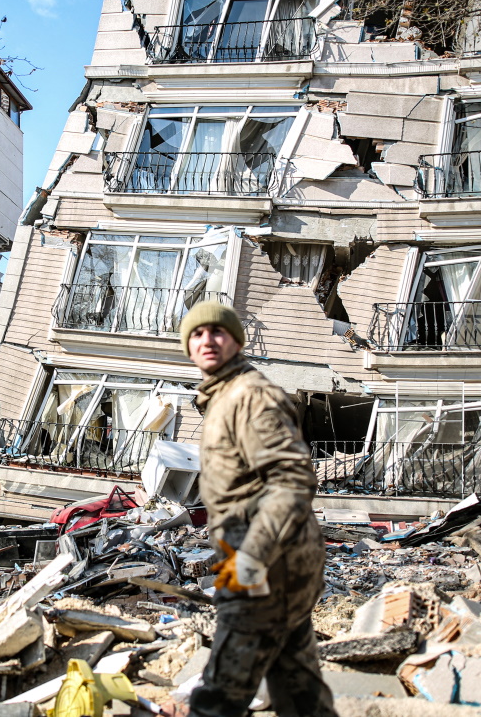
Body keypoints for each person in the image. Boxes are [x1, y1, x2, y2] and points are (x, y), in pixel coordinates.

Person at [179, 301, 336, 717]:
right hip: (273, 562)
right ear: (187, 346)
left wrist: (249, 558)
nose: (207, 341)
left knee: (218, 696)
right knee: (298, 689)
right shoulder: (223, 396)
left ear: (236, 341)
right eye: (197, 334)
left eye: (218, 332)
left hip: (268, 566)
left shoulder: (250, 396)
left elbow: (292, 482)